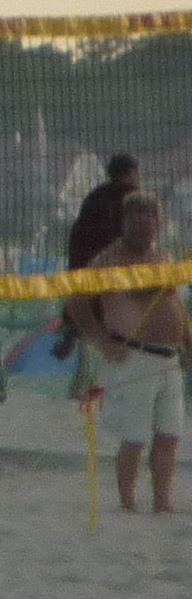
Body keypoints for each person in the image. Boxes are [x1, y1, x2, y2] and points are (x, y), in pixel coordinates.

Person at [81, 191, 185, 517]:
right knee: (135, 437)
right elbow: (76, 300)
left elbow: (176, 305)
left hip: (169, 358)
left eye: (150, 215)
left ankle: (162, 502)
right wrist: (101, 339)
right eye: (136, 215)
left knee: (169, 435)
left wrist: (188, 343)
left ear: (159, 223)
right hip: (134, 355)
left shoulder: (163, 258)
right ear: (123, 222)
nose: (143, 222)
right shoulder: (110, 259)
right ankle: (127, 502)